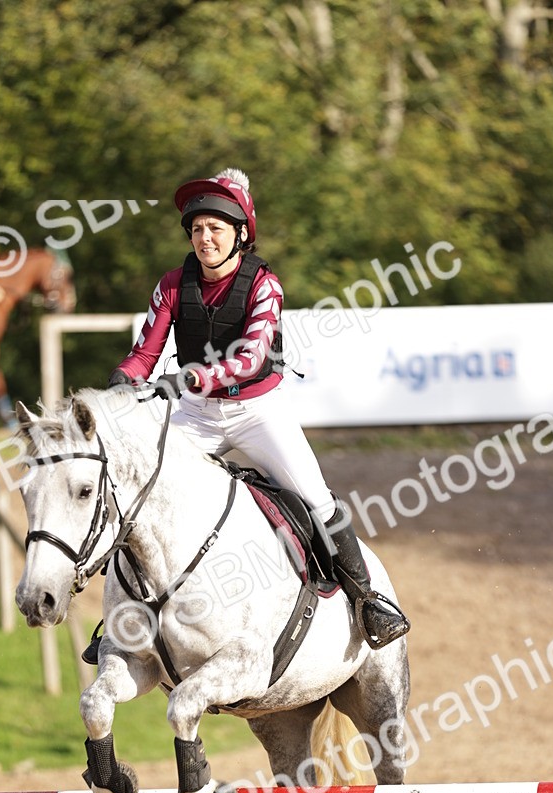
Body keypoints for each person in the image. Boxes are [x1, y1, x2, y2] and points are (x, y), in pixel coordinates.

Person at [85, 166, 409, 664]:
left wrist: (193, 378)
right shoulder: (171, 285)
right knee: (137, 490)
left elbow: (252, 357)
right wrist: (121, 382)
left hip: (258, 411)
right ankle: (119, 617)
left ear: (240, 234)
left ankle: (369, 602)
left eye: (215, 228)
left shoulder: (265, 285)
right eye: (197, 229)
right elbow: (144, 354)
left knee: (316, 497)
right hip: (198, 413)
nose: (204, 238)